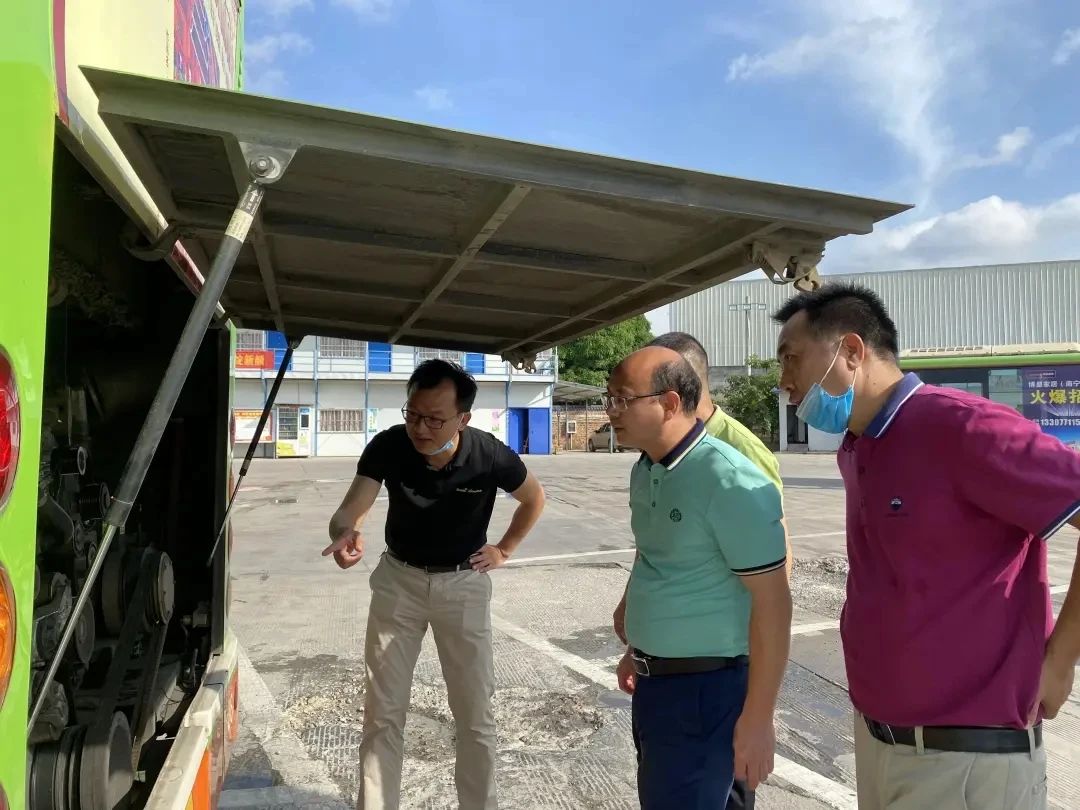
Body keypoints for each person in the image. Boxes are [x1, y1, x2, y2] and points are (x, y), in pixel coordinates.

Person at [773, 282, 1080, 810]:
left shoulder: (964, 427)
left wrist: (1062, 658)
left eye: (791, 359)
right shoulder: (857, 446)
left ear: (851, 351)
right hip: (879, 740)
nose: (784, 382)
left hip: (965, 759)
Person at [322, 359, 546, 810]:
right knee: (382, 713)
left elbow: (533, 498)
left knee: (474, 713)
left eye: (434, 419)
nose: (420, 428)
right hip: (398, 583)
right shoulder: (390, 445)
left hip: (463, 586)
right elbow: (350, 509)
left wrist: (503, 549)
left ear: (463, 419)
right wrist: (344, 532)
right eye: (413, 414)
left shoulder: (488, 455)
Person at [607, 346, 793, 809]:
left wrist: (758, 718)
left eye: (622, 398)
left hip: (707, 693)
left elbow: (773, 602)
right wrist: (638, 649)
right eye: (609, 398)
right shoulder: (647, 470)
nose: (611, 411)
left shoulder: (728, 479)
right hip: (657, 688)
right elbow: (663, 562)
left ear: (669, 403)